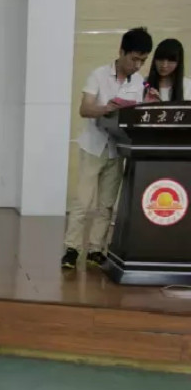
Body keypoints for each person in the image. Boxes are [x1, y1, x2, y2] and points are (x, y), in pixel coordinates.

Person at [61, 27, 153, 270]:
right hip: (93, 147)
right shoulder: (99, 75)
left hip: (118, 148)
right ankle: (71, 248)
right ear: (121, 52)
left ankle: (95, 249)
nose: (137, 65)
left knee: (107, 204)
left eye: (142, 61)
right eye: (134, 59)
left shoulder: (140, 82)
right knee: (83, 201)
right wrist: (107, 108)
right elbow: (85, 109)